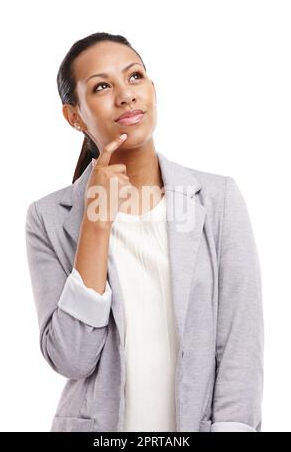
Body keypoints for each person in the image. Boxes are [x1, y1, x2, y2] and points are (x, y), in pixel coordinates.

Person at [25, 32, 264, 432]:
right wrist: (96, 223)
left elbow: (241, 344)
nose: (126, 95)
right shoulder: (48, 218)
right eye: (102, 86)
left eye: (135, 77)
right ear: (74, 116)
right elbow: (71, 357)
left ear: (152, 90)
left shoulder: (218, 199)